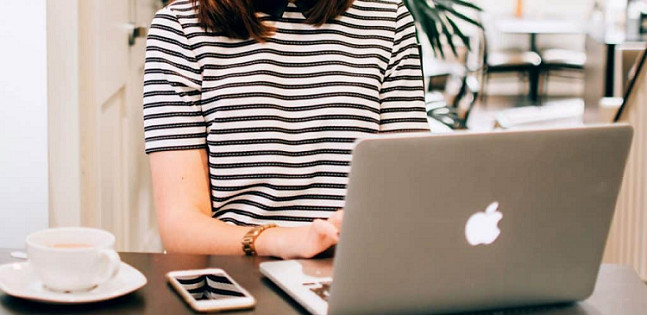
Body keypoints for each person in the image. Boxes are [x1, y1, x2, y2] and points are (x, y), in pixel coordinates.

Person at [143, 0, 429, 259]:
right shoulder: (179, 27)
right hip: (242, 279)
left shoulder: (388, 18)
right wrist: (284, 241)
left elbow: (410, 190)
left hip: (359, 274)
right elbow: (181, 226)